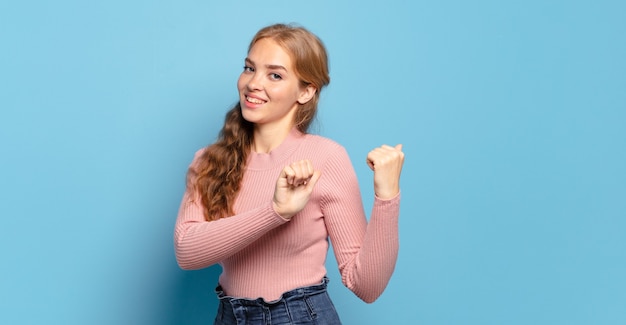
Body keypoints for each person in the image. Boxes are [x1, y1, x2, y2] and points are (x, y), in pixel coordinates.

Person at [174, 23, 405, 325]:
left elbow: (366, 285)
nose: (253, 83)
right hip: (230, 315)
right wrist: (276, 212)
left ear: (306, 91)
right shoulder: (209, 160)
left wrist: (387, 197)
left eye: (275, 75)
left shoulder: (326, 158)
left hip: (299, 316)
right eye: (249, 68)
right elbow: (186, 252)